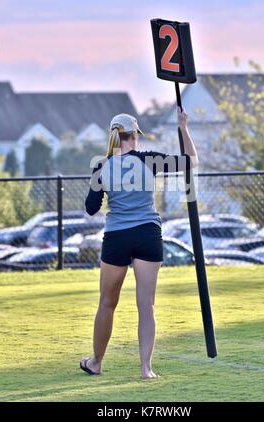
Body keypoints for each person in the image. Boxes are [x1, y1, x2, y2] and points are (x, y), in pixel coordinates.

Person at [80, 107, 198, 379]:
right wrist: (183, 127)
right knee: (146, 305)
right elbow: (191, 161)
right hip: (147, 235)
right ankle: (146, 369)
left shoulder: (101, 165)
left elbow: (90, 208)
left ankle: (96, 363)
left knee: (107, 303)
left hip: (117, 237)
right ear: (134, 136)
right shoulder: (149, 160)